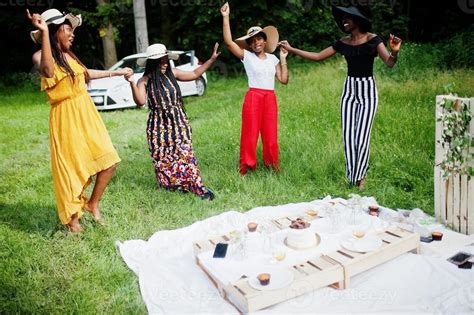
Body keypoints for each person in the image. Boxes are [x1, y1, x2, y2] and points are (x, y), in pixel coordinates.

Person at [28, 9, 131, 232]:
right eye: (68, 29)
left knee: (109, 160)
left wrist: (117, 72)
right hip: (65, 117)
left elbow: (87, 74)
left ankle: (93, 204)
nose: (73, 34)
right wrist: (44, 32)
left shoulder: (69, 57)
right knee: (71, 168)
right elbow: (47, 69)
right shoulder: (40, 56)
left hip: (86, 112)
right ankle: (72, 220)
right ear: (55, 31)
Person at [279, 6, 402, 189]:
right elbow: (318, 56)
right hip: (349, 90)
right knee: (348, 137)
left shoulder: (373, 40)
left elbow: (390, 63)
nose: (344, 21)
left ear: (357, 20)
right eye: (342, 19)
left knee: (361, 138)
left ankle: (361, 177)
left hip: (367, 90)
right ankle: (353, 179)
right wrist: (291, 49)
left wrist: (395, 51)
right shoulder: (343, 42)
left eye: (347, 19)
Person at [125, 43, 220, 200]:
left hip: (178, 121)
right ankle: (174, 186)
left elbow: (195, 73)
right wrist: (131, 83)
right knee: (163, 158)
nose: (164, 63)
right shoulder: (144, 80)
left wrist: (211, 60)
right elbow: (140, 101)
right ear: (152, 63)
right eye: (160, 61)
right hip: (158, 125)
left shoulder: (173, 73)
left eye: (165, 60)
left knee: (185, 154)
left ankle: (198, 187)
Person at [220, 2, 289, 176]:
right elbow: (229, 43)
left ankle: (272, 165)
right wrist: (226, 17)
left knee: (271, 135)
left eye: (259, 38)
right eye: (252, 40)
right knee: (250, 135)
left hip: (270, 98)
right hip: (254, 97)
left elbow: (283, 79)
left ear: (264, 40)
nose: (256, 42)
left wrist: (283, 58)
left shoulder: (273, 59)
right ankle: (247, 167)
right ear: (249, 44)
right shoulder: (247, 56)